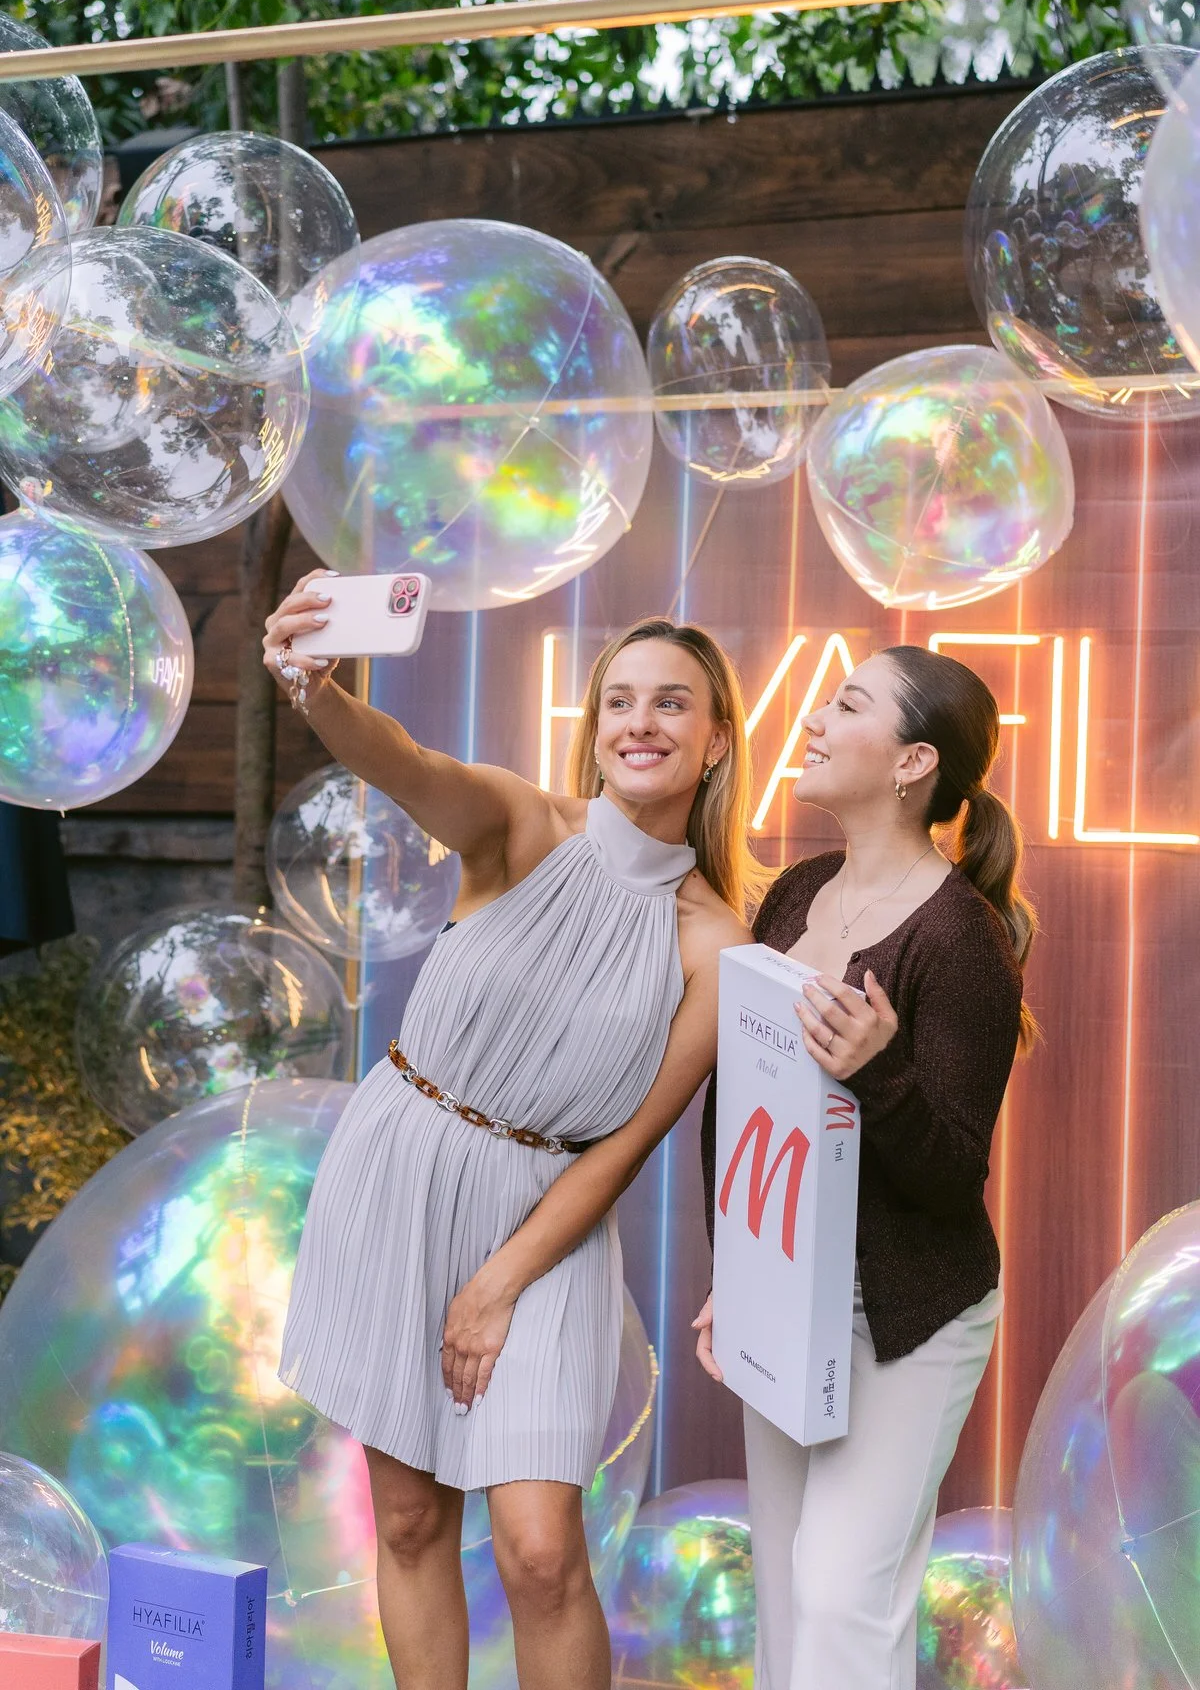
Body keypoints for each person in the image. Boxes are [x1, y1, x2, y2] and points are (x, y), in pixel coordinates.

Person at [263, 581, 756, 1690]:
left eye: (672, 704)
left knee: (541, 1553)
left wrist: (498, 1284)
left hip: (550, 1228)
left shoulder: (717, 945)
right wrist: (316, 687)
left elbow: (623, 1149)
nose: (641, 723)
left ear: (717, 740)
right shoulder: (524, 829)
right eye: (620, 701)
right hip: (399, 1176)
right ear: (595, 730)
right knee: (406, 1521)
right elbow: (399, 760)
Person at [693, 643, 1036, 1690]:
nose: (812, 720)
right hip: (785, 1291)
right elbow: (742, 1109)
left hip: (908, 1314)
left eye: (844, 705)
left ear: (910, 764)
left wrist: (876, 1071)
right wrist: (740, 1276)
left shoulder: (961, 941)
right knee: (793, 1598)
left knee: (846, 1594)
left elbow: (949, 1179)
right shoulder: (794, 893)